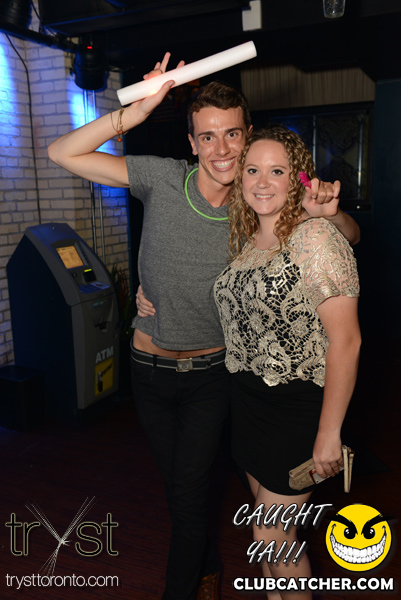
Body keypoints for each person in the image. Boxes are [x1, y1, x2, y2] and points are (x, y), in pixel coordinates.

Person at [48, 53, 360, 600]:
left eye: (232, 134)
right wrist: (136, 112)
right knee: (184, 491)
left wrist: (329, 213)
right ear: (191, 143)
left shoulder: (257, 200)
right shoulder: (169, 180)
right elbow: (61, 153)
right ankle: (210, 565)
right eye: (207, 136)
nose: (221, 149)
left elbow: (343, 238)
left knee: (210, 504)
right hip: (150, 369)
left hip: (217, 376)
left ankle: (188, 586)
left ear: (247, 138)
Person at [213, 126, 361, 600]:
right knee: (271, 538)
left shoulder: (313, 237)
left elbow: (347, 341)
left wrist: (329, 433)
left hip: (297, 409)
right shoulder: (247, 242)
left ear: (297, 179)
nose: (261, 182)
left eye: (276, 171)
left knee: (271, 534)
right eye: (252, 170)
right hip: (248, 406)